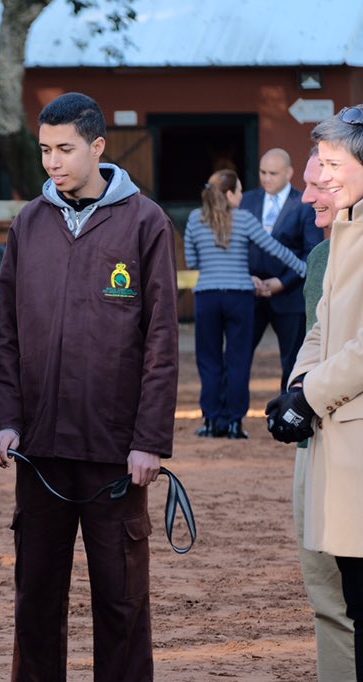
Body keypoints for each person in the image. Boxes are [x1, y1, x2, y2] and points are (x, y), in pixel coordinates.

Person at [0, 92, 178, 681]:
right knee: (35, 599)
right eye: (44, 150)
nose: (53, 162)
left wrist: (149, 439)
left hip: (114, 453)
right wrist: (4, 420)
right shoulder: (29, 224)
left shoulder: (146, 222)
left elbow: (162, 341)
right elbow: (6, 333)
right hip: (39, 450)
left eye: (64, 149)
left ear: (97, 146)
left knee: (121, 600)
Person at [268, 104, 363, 681]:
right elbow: (323, 328)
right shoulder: (338, 243)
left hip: (350, 445)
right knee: (338, 596)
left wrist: (310, 397)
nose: (316, 184)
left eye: (330, 165)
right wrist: (297, 389)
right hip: (333, 442)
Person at [292, 150, 355, 681]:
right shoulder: (321, 256)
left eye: (322, 181)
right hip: (314, 441)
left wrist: (306, 396)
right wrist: (294, 394)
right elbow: (316, 336)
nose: (310, 195)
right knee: (326, 590)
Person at [184, 169, 306, 439]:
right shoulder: (245, 219)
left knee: (209, 361)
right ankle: (235, 423)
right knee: (238, 361)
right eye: (239, 190)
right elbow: (275, 249)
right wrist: (304, 268)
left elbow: (192, 262)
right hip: (239, 297)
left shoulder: (195, 218)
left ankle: (211, 421)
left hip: (207, 297)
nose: (242, 195)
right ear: (229, 194)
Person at [240, 148, 323, 390]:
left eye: (273, 173)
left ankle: (287, 414)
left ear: (289, 173)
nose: (266, 178)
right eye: (263, 172)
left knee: (292, 360)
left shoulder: (305, 204)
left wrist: (283, 282)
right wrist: (248, 278)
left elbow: (312, 252)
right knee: (238, 357)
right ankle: (229, 420)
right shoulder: (246, 200)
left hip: (290, 296)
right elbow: (235, 244)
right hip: (251, 292)